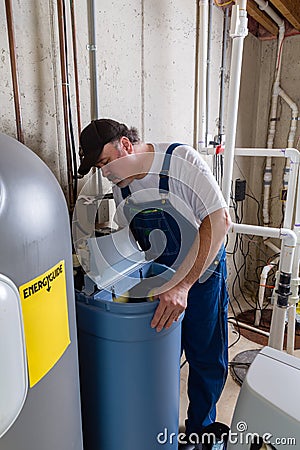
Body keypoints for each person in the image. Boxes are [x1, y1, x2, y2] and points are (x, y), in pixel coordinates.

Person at [78, 118, 231, 449]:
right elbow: (142, 243)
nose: (104, 173)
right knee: (160, 355)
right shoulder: (123, 188)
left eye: (105, 162)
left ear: (126, 146)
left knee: (205, 355)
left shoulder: (180, 161)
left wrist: (183, 285)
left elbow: (219, 221)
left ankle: (201, 430)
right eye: (98, 167)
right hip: (163, 277)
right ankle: (156, 422)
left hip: (203, 274)